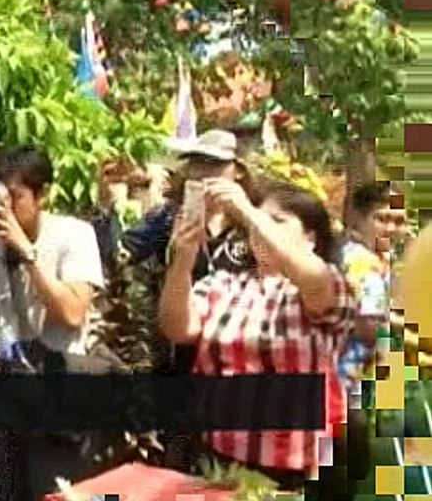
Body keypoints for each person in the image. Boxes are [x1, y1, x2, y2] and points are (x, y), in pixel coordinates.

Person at [0, 144, 107, 500]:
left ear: (44, 195)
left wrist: (25, 249)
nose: (4, 209)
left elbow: (72, 313)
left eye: (15, 197)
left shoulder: (74, 235)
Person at [158, 179, 352, 490]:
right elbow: (177, 329)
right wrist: (182, 260)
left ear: (311, 239)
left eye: (276, 221)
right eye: (257, 221)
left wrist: (246, 210)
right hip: (218, 458)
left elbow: (315, 280)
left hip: (292, 471)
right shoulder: (223, 284)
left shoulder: (322, 288)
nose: (258, 228)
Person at [338, 182, 396, 404]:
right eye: (381, 219)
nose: (390, 228)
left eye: (397, 221)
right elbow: (368, 325)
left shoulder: (374, 258)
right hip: (347, 369)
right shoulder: (362, 262)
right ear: (359, 218)